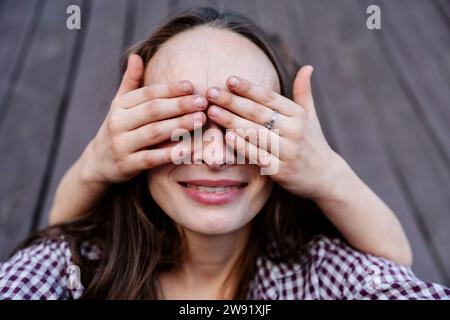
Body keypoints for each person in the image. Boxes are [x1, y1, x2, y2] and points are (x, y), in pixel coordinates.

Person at [0, 7, 449, 300]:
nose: (214, 156)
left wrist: (327, 171)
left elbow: (393, 273)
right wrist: (97, 162)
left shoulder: (322, 274)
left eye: (246, 124)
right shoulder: (71, 270)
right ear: (133, 135)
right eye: (182, 125)